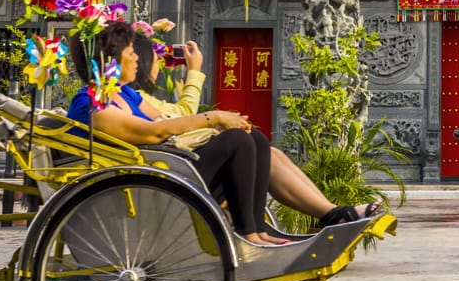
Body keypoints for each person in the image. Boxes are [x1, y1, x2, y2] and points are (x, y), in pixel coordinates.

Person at [67, 21, 288, 246]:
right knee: (237, 141)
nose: (136, 59)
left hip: (165, 169)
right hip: (147, 185)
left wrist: (213, 126)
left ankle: (258, 229)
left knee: (255, 139)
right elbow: (154, 132)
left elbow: (166, 120)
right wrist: (214, 117)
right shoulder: (92, 105)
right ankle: (248, 234)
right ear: (110, 59)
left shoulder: (126, 94)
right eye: (131, 53)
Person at [130, 30, 380, 227]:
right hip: (175, 167)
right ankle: (328, 214)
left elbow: (176, 118)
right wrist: (197, 77)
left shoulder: (134, 96)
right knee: (245, 142)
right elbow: (179, 117)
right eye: (156, 57)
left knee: (268, 152)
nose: (159, 64)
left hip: (179, 159)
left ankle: (331, 212)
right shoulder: (125, 97)